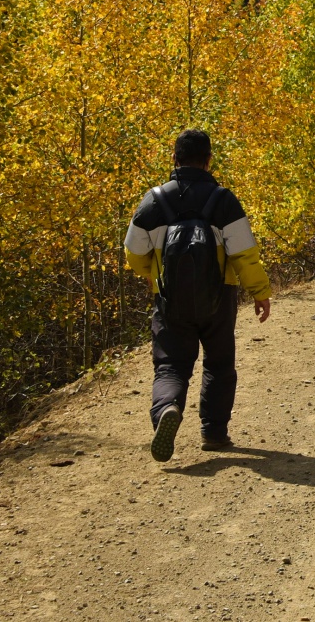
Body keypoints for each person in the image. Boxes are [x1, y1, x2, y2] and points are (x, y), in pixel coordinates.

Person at [124, 129, 271, 462]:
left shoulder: (153, 201)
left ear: (174, 158)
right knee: (219, 364)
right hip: (219, 297)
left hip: (170, 299)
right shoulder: (223, 200)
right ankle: (214, 433)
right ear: (209, 160)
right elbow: (244, 254)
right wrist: (260, 293)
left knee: (171, 366)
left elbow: (133, 253)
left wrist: (154, 276)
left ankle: (167, 408)